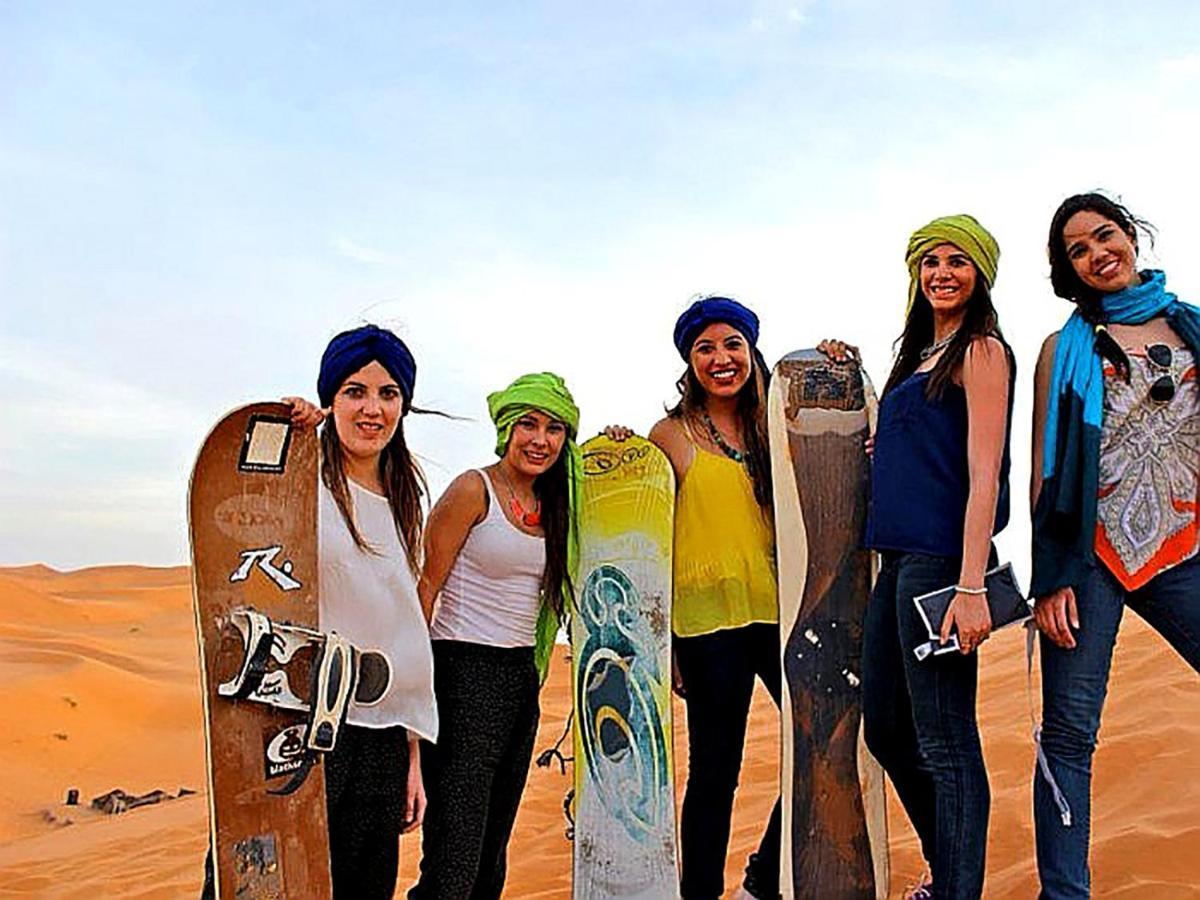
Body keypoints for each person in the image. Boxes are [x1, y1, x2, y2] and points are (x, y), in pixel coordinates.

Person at [610, 296, 850, 900]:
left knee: (825, 738)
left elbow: (835, 451)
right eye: (705, 349)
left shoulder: (779, 422)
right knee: (716, 773)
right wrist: (620, 449)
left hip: (780, 615)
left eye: (732, 344)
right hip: (705, 625)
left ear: (751, 350)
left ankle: (762, 880)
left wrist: (829, 367)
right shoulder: (670, 434)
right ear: (690, 363)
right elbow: (644, 530)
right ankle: (700, 894)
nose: (721, 359)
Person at [201, 324, 437, 900]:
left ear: (404, 405)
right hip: (293, 721)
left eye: (388, 394)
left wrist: (412, 757)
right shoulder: (300, 481)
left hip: (379, 734)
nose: (372, 409)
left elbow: (405, 632)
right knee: (260, 883)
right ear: (331, 399)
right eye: (355, 391)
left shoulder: (407, 498)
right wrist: (286, 431)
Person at [1030, 193, 1200, 898]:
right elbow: (1046, 467)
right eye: (1078, 249)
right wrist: (1050, 580)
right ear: (1069, 270)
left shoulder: (1190, 327)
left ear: (1131, 236)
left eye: (1105, 235)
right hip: (1089, 559)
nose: (1098, 253)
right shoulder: (1061, 350)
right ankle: (1063, 893)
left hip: (1184, 546)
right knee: (1070, 734)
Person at [862, 215, 1014, 899]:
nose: (941, 273)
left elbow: (985, 471)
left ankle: (958, 890)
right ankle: (947, 866)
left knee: (947, 741)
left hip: (940, 567)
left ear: (979, 275)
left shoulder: (981, 351)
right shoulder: (915, 361)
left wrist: (971, 584)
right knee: (887, 728)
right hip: (894, 564)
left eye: (957, 261)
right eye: (929, 262)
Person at [409, 372, 581, 900]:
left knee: (491, 858)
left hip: (519, 679)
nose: (540, 439)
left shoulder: (561, 502)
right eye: (527, 424)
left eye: (554, 428)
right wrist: (412, 692)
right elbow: (425, 588)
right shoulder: (472, 489)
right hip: (460, 676)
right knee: (454, 858)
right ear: (506, 429)